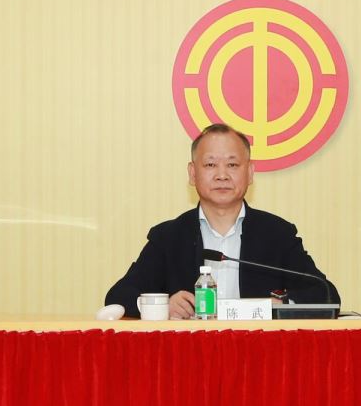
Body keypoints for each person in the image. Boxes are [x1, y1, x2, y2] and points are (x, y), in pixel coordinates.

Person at [106, 124, 335, 318]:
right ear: (192, 173)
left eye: (232, 165)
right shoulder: (169, 237)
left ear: (250, 173)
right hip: (191, 351)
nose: (222, 175)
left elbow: (326, 294)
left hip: (259, 350)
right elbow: (118, 296)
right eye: (210, 165)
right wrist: (163, 306)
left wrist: (281, 306)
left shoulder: (276, 235)